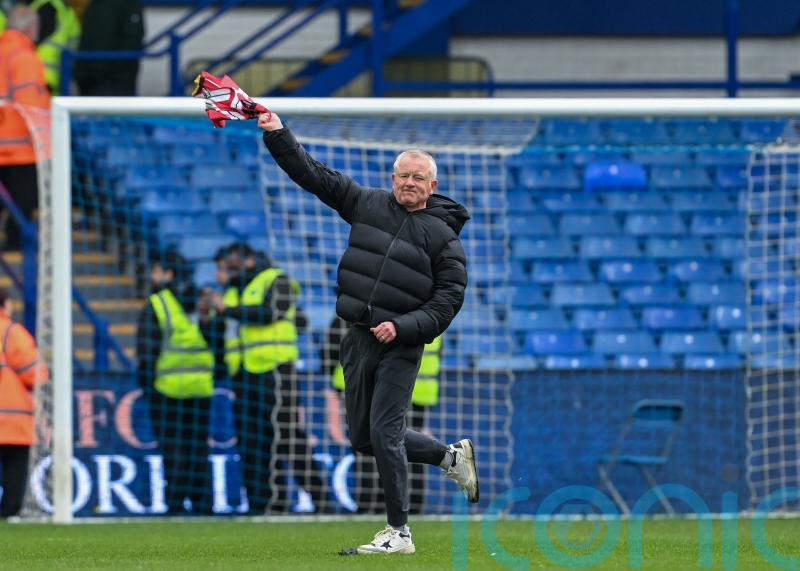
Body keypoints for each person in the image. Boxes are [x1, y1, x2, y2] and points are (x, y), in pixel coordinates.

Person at [259, 112, 476, 555]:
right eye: (404, 175)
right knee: (362, 438)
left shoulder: (444, 239)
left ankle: (399, 533)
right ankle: (449, 457)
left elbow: (448, 302)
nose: (409, 182)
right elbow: (312, 174)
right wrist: (277, 132)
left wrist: (401, 326)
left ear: (432, 186)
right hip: (357, 338)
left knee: (385, 432)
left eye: (419, 177)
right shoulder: (367, 204)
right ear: (392, 178)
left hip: (401, 345)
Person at [210, 243, 328, 514]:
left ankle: (320, 499)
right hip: (244, 376)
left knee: (287, 437)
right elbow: (221, 335)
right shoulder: (230, 293)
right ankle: (264, 505)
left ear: (249, 260)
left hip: (277, 372)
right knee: (252, 442)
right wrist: (209, 319)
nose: (223, 271)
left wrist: (227, 310)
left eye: (228, 264)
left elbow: (271, 313)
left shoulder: (277, 280)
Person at [324, 315, 443, 515]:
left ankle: (371, 503)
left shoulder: (364, 310)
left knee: (371, 443)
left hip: (374, 386)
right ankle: (410, 505)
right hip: (417, 390)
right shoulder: (426, 313)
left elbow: (332, 349)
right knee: (407, 445)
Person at [136, 250, 218, 515]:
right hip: (201, 388)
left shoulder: (158, 304)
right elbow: (217, 342)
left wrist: (147, 386)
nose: (152, 276)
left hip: (167, 390)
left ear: (168, 274)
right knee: (198, 449)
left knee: (173, 449)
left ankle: (175, 504)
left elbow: (147, 351)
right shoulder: (203, 301)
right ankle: (204, 505)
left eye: (156, 270)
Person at [0, 6, 50, 251]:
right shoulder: (24, 56)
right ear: (30, 27)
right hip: (21, 148)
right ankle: (16, 253)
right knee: (20, 211)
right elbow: (32, 106)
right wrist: (45, 142)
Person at [0, 287, 48, 519]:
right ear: (6, 304)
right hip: (12, 416)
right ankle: (9, 512)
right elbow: (34, 372)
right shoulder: (11, 331)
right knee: (14, 467)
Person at [73, 0, 144, 96]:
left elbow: (132, 41)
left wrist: (104, 71)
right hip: (89, 81)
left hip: (113, 83)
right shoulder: (95, 4)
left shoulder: (128, 4)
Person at [28, 0, 81, 94]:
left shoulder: (68, 13)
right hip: (39, 80)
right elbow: (29, 43)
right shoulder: (48, 7)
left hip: (57, 81)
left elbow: (73, 48)